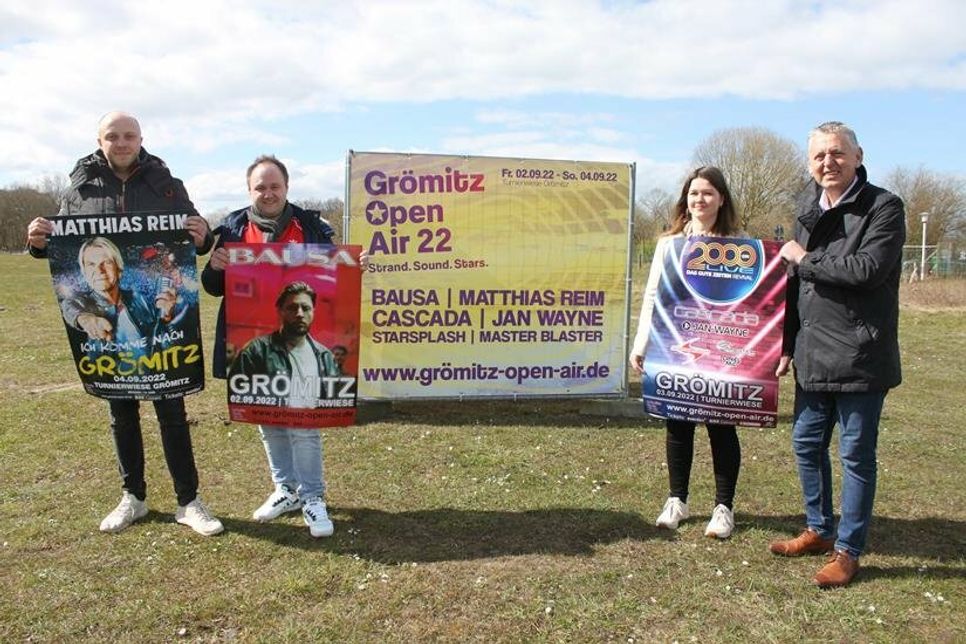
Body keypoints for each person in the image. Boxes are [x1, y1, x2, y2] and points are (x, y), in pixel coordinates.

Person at [25, 111, 223, 536]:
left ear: (141, 139)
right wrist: (38, 241)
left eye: (128, 135)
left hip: (154, 323)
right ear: (100, 141)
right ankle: (133, 496)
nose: (121, 142)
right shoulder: (80, 186)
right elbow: (61, 255)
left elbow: (197, 244)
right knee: (122, 413)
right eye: (112, 136)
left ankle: (189, 502)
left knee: (172, 411)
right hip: (108, 338)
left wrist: (203, 234)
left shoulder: (166, 182)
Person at [770, 121, 905, 588]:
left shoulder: (884, 207)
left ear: (857, 155)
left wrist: (805, 258)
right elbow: (791, 285)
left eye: (836, 154)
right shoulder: (806, 208)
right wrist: (785, 343)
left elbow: (867, 269)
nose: (827, 163)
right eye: (818, 157)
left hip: (861, 355)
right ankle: (820, 529)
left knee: (855, 455)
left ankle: (848, 551)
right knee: (806, 444)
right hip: (812, 352)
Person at [202, 155, 337, 538]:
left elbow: (334, 275)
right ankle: (286, 490)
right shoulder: (230, 227)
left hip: (303, 341)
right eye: (260, 187)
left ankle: (312, 497)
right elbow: (212, 287)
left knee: (303, 422)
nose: (268, 193)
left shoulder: (311, 224)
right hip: (250, 341)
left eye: (274, 185)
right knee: (267, 416)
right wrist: (216, 266)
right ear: (250, 191)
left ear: (287, 188)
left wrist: (356, 266)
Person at [629, 166, 744, 539]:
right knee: (677, 421)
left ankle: (723, 508)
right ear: (686, 199)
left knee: (720, 425)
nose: (699, 199)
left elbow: (753, 302)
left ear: (721, 198)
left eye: (708, 193)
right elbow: (652, 294)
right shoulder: (670, 243)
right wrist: (641, 343)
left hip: (720, 347)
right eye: (694, 193)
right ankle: (677, 500)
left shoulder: (741, 244)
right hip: (674, 343)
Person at [61, 237, 180, 352]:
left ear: (119, 269)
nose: (99, 270)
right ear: (85, 272)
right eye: (91, 264)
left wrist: (166, 319)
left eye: (107, 262)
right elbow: (69, 308)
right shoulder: (80, 302)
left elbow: (165, 347)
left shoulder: (141, 300)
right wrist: (86, 320)